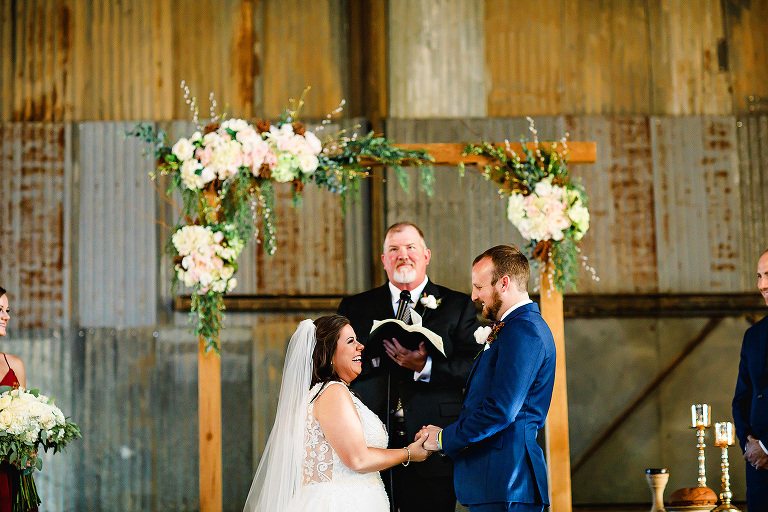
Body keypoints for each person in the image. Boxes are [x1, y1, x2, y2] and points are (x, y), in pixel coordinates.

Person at [337, 222, 479, 512]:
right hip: (371, 440)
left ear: (426, 255)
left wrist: (425, 366)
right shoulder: (356, 307)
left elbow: (474, 367)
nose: (403, 255)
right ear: (384, 260)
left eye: (410, 247)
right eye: (394, 249)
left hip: (432, 438)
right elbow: (338, 364)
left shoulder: (457, 304)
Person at [243, 314, 432, 512]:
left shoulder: (320, 393)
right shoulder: (333, 392)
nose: (361, 346)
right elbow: (358, 459)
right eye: (351, 341)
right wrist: (408, 453)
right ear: (329, 353)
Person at [422, 245, 556, 512]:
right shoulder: (512, 328)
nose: (474, 296)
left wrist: (443, 439)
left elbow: (501, 410)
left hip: (508, 480)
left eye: (479, 287)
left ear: (504, 283)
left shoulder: (524, 330)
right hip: (497, 480)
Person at [732, 248, 768, 512]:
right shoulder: (752, 336)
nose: (762, 284)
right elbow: (741, 399)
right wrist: (750, 444)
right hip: (758, 474)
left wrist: (767, 446)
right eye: (759, 276)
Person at [0, 286, 37, 512]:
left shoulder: (15, 365)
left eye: (7, 310)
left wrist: (28, 447)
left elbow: (24, 419)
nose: (6, 316)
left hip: (10, 475)